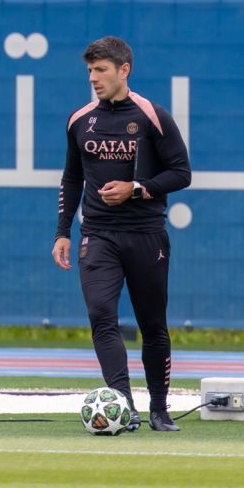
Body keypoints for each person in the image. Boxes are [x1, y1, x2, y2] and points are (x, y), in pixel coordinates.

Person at [50, 35, 192, 432]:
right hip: (97, 236)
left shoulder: (152, 115)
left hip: (146, 235)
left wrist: (137, 189)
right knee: (101, 316)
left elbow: (182, 173)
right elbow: (71, 177)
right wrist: (63, 231)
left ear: (124, 70)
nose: (93, 78)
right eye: (90, 71)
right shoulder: (79, 119)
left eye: (101, 70)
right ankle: (122, 404)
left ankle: (160, 410)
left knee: (153, 326)